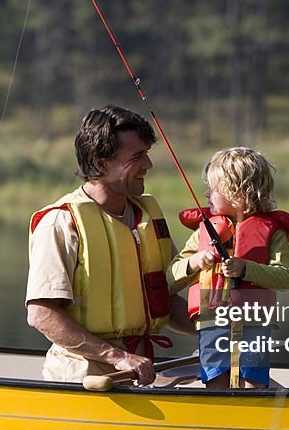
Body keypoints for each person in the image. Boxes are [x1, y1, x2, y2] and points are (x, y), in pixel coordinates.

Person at [26, 105, 189, 383]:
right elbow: (42, 314)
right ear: (101, 163)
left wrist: (220, 329)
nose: (148, 165)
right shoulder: (60, 223)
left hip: (142, 371)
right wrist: (118, 357)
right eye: (137, 156)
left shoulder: (146, 215)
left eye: (147, 154)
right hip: (86, 378)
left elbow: (166, 301)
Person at [167, 147, 289, 388]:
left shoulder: (272, 232)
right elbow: (170, 279)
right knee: (215, 379)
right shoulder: (204, 230)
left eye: (213, 189)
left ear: (238, 194)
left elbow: (284, 278)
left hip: (255, 320)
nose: (206, 193)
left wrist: (245, 269)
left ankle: (254, 416)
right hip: (212, 319)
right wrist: (195, 261)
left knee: (253, 378)